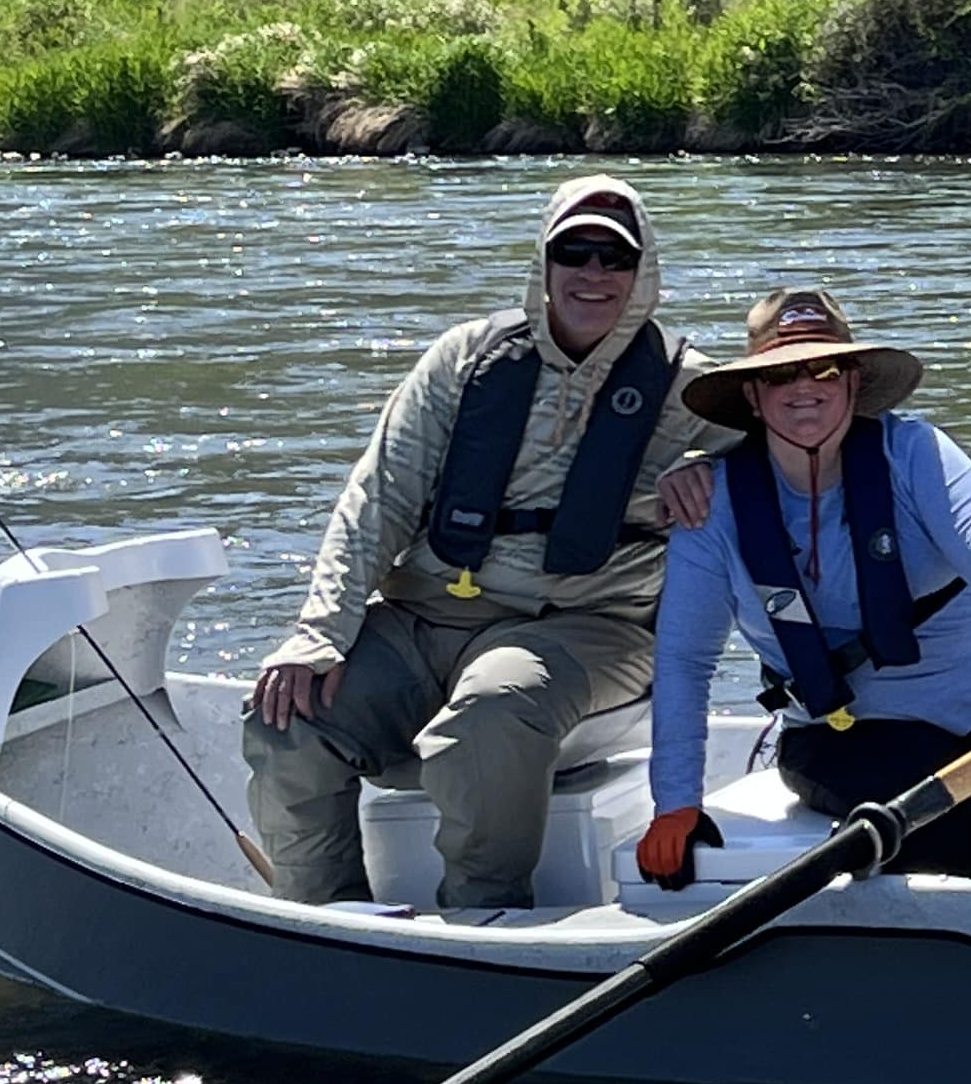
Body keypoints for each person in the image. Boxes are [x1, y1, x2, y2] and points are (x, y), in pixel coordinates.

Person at [243, 174, 726, 910]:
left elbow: (794, 475)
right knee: (289, 715)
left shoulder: (694, 391)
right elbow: (377, 501)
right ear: (544, 262)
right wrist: (320, 634)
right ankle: (325, 917)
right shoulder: (464, 359)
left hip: (588, 628)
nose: (593, 273)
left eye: (615, 258)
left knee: (489, 715)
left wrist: (713, 473)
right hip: (427, 614)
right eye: (574, 252)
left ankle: (483, 918)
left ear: (643, 270)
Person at [637, 287, 971, 889]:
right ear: (753, 396)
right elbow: (685, 661)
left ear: (852, 382)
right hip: (845, 733)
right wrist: (675, 803)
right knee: (928, 828)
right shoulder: (708, 505)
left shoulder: (916, 453)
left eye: (823, 368)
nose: (803, 386)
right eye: (780, 374)